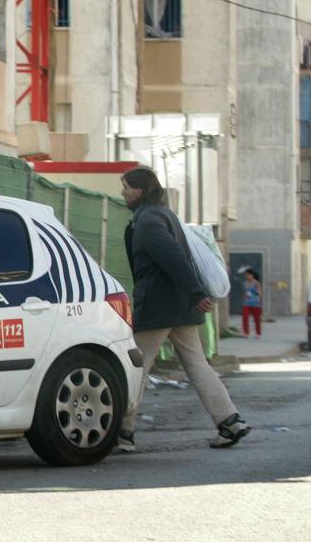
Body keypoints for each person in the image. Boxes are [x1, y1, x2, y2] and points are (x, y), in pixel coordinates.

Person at [117, 166, 250, 453]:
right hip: (179, 307)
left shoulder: (149, 220)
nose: (123, 192)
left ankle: (123, 431)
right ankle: (229, 420)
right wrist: (192, 295)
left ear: (138, 191)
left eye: (126, 187)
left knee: (137, 366)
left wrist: (196, 292)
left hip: (157, 307)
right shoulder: (164, 214)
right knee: (197, 364)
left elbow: (172, 256)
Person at [242, 268, 264, 339]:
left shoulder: (256, 283)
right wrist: (245, 296)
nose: (246, 276)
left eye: (248, 275)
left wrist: (258, 298)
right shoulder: (245, 283)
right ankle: (246, 333)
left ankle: (258, 334)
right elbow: (245, 292)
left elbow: (259, 293)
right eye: (246, 275)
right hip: (247, 303)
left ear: (252, 275)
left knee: (257, 319)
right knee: (245, 318)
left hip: (255, 303)